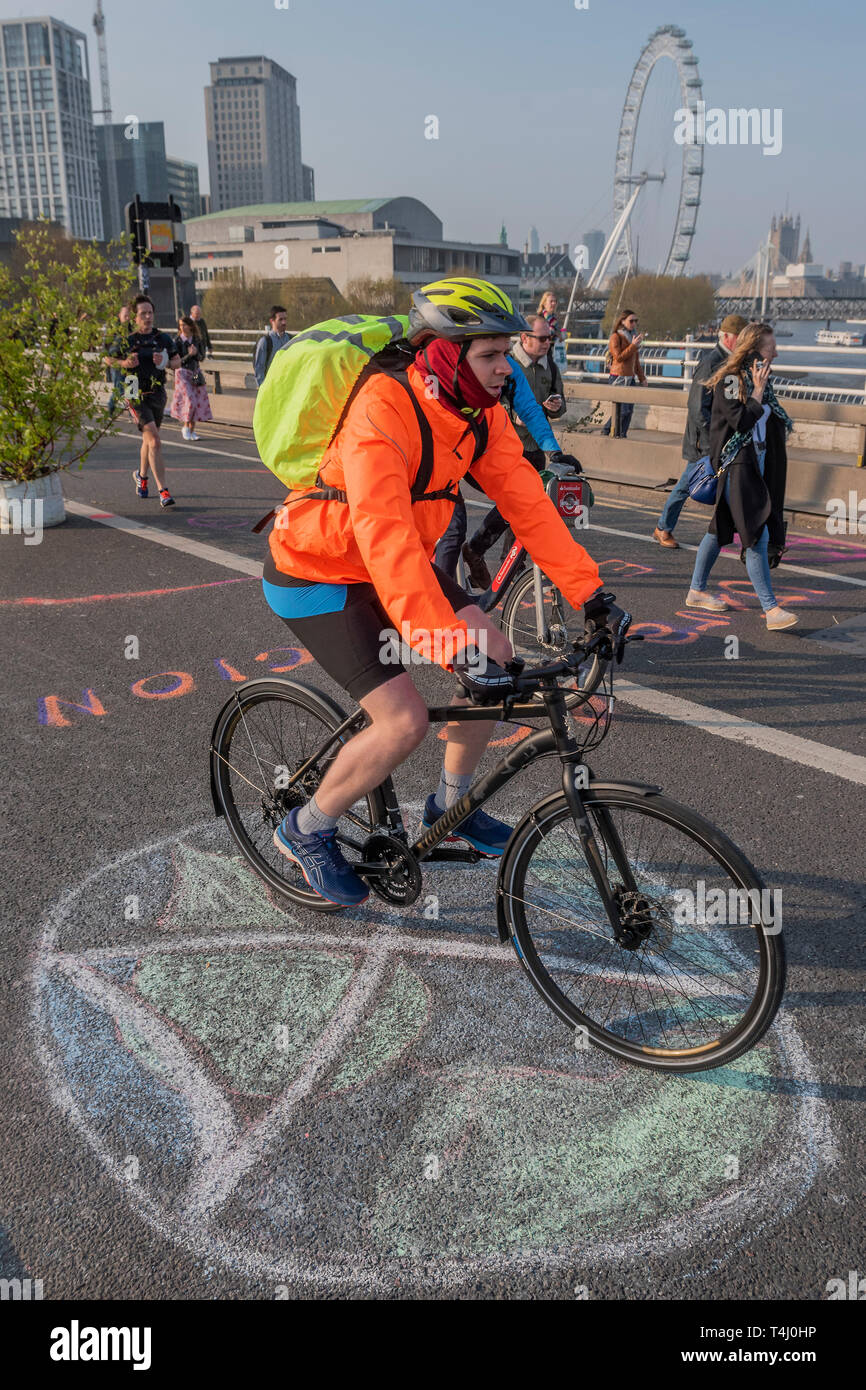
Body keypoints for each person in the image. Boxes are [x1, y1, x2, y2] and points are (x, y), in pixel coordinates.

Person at [260, 277, 628, 907]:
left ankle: (449, 806)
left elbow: (528, 504)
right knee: (401, 722)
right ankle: (305, 828)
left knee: (499, 655)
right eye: (488, 355)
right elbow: (386, 540)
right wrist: (447, 643)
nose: (504, 368)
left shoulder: (478, 413)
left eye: (507, 352)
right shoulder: (383, 408)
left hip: (388, 563)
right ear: (443, 352)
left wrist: (590, 594)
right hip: (320, 568)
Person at [685, 322, 796, 631]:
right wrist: (758, 393)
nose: (776, 351)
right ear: (755, 349)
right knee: (756, 536)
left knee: (718, 529)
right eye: (772, 346)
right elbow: (741, 421)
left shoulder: (761, 378)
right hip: (737, 465)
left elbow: (767, 423)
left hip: (757, 464)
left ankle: (696, 590)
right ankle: (772, 610)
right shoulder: (732, 379)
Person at [434, 349, 576, 585]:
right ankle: (442, 606)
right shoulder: (442, 361)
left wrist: (554, 452)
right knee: (452, 529)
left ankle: (477, 553)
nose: (504, 365)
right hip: (434, 455)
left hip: (475, 449)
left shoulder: (507, 365)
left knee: (522, 496)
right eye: (492, 351)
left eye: (504, 349)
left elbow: (529, 408)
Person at [653, 314, 748, 547]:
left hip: (724, 439)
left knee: (724, 485)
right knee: (687, 485)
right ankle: (664, 528)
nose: (744, 342)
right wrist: (710, 443)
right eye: (740, 337)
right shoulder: (711, 362)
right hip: (704, 441)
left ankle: (734, 530)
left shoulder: (734, 363)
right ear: (726, 336)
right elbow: (697, 407)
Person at [105, 293, 180, 507]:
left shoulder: (162, 338)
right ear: (135, 318)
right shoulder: (127, 339)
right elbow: (108, 358)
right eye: (143, 314)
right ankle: (163, 491)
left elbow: (176, 362)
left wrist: (165, 360)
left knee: (149, 439)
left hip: (157, 391)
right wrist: (125, 363)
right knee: (154, 440)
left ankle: (141, 476)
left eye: (150, 313)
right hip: (133, 390)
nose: (147, 317)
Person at [170, 314, 213, 441]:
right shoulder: (177, 341)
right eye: (180, 325)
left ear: (190, 326)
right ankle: (185, 427)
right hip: (182, 373)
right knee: (190, 400)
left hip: (195, 373)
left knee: (197, 402)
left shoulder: (197, 340)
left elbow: (201, 358)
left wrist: (196, 353)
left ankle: (191, 430)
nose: (182, 327)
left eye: (184, 324)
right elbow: (177, 361)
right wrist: (189, 355)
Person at [606, 308, 646, 438]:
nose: (634, 324)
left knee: (629, 411)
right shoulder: (615, 337)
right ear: (623, 321)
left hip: (630, 378)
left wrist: (642, 378)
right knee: (622, 410)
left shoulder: (632, 337)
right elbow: (618, 357)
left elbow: (636, 361)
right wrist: (633, 345)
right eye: (631, 321)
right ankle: (609, 430)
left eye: (636, 321)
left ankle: (622, 435)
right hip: (618, 376)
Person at [103, 304, 131, 417]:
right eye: (125, 316)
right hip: (117, 364)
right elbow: (107, 347)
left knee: (132, 389)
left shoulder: (132, 329)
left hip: (131, 364)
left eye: (129, 316)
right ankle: (110, 407)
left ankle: (133, 413)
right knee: (119, 389)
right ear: (119, 316)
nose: (127, 318)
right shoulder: (114, 330)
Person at [254, 305, 290, 386]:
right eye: (280, 319)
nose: (284, 322)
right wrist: (262, 389)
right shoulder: (265, 342)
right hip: (271, 387)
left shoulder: (291, 339)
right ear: (272, 321)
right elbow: (259, 368)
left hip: (287, 386)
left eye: (285, 319)